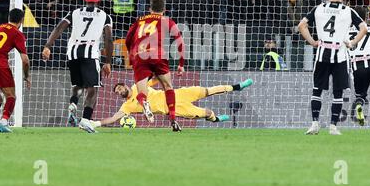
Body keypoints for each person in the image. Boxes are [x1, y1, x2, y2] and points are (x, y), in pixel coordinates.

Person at [298, 0, 368, 135]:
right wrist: (352, 43)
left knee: (317, 89)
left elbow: (302, 25)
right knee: (338, 92)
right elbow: (364, 28)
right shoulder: (348, 11)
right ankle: (333, 126)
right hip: (340, 55)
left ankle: (315, 124)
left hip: (322, 52)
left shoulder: (319, 8)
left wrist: (312, 42)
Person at [41, 0, 113, 131]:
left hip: (72, 53)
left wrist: (47, 46)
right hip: (90, 53)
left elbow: (58, 28)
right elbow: (108, 39)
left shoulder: (74, 13)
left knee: (78, 85)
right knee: (93, 89)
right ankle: (85, 120)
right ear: (98, 1)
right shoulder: (105, 16)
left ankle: (73, 104)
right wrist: (108, 61)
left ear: (85, 0)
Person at [82, 78, 254, 132]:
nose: (120, 91)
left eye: (120, 87)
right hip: (174, 109)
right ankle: (216, 119)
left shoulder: (138, 87)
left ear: (126, 85)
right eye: (118, 91)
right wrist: (95, 123)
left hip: (176, 94)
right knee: (207, 112)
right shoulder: (127, 106)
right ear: (119, 96)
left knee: (207, 90)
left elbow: (155, 78)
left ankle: (237, 87)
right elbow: (113, 118)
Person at [124, 0, 185, 132]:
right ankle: (173, 120)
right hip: (158, 55)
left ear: (150, 9)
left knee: (142, 91)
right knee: (168, 86)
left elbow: (128, 40)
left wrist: (131, 55)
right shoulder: (167, 21)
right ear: (164, 10)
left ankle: (145, 103)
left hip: (140, 56)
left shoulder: (139, 20)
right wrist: (181, 64)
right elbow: (180, 41)